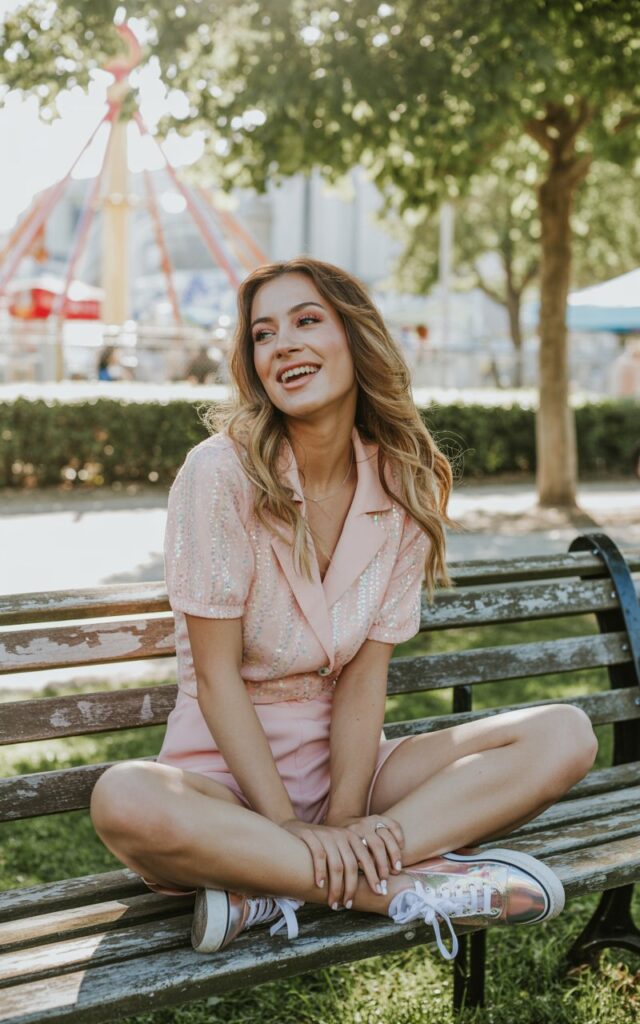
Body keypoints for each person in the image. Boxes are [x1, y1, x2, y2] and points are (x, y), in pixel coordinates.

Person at [90, 257, 597, 962]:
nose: (283, 344)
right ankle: (398, 887)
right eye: (264, 334)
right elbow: (215, 679)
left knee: (564, 733)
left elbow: (364, 680)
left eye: (306, 321)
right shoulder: (219, 473)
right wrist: (288, 826)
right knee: (123, 799)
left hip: (345, 771)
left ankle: (266, 885)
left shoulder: (401, 484)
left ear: (354, 338)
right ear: (254, 363)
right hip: (221, 785)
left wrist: (348, 819)